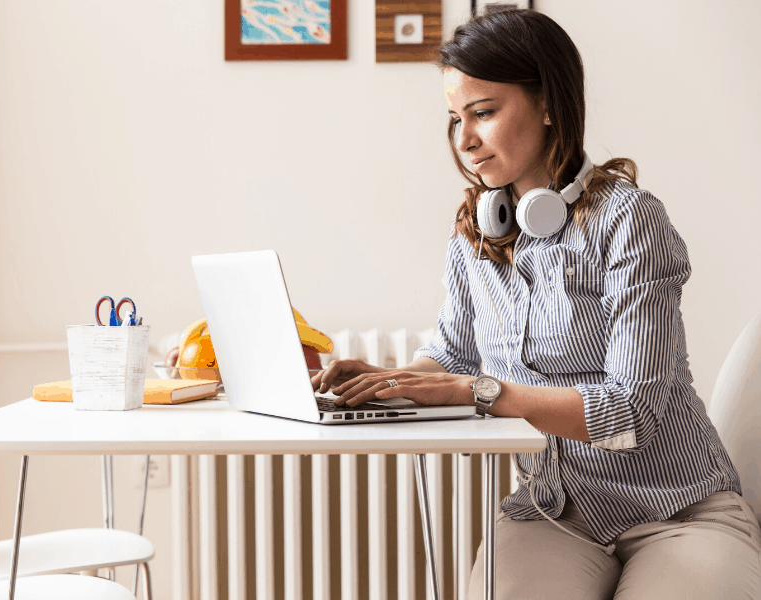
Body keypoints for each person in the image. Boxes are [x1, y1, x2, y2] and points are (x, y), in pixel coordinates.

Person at [310, 8, 761, 599]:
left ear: (548, 105)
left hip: (677, 512)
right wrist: (394, 380)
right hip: (553, 513)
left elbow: (634, 412)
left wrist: (482, 392)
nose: (464, 139)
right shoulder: (476, 228)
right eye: (455, 119)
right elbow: (453, 354)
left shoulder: (629, 222)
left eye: (484, 113)